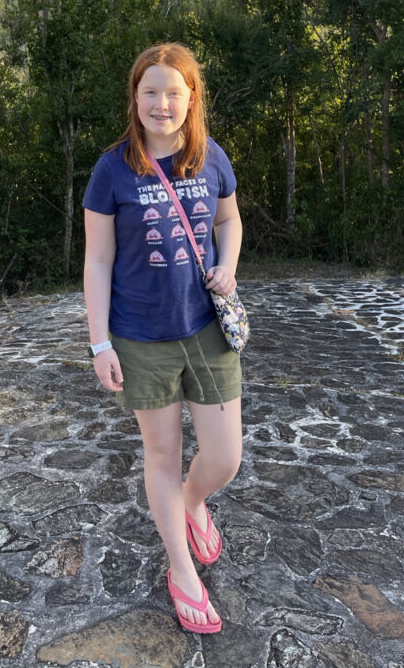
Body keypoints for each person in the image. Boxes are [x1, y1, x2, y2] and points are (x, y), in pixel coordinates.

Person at [83, 42, 243, 634]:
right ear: (135, 96)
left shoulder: (211, 157)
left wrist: (229, 263)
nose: (161, 102)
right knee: (163, 456)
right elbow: (98, 260)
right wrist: (100, 343)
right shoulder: (112, 169)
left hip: (206, 329)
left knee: (224, 458)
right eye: (150, 91)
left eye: (173, 91)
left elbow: (229, 220)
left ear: (191, 98)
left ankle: (194, 502)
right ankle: (181, 570)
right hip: (140, 338)